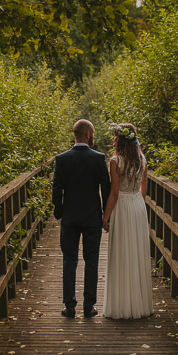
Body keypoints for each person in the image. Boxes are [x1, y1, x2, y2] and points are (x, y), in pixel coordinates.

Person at [51, 119, 111, 318]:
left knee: (69, 261)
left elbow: (56, 189)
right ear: (88, 134)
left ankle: (69, 307)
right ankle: (88, 306)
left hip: (70, 217)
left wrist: (59, 212)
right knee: (91, 261)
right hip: (92, 217)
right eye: (92, 133)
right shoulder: (98, 158)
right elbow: (106, 188)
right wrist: (105, 215)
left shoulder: (62, 159)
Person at [102, 123, 152, 319]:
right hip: (137, 205)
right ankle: (139, 304)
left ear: (121, 139)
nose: (113, 140)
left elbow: (114, 193)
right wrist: (137, 201)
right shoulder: (142, 159)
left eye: (115, 137)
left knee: (121, 251)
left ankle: (121, 305)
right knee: (137, 251)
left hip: (122, 204)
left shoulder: (115, 161)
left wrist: (106, 217)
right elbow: (144, 187)